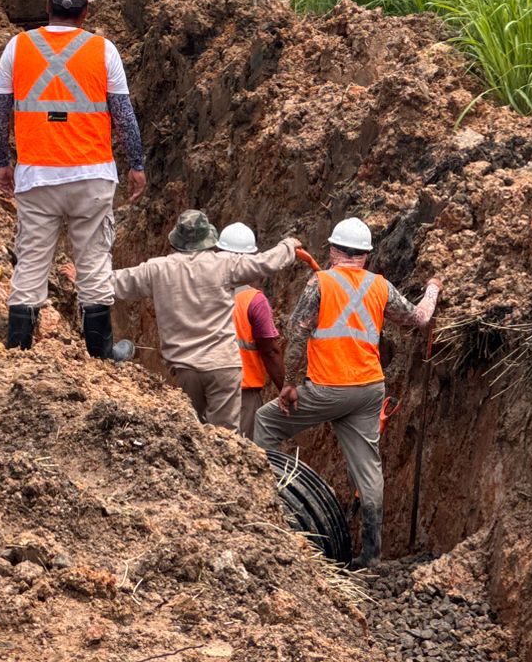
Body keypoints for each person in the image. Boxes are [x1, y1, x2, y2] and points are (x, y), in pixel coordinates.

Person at [253, 217, 440, 568]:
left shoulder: (320, 282)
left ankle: (265, 512)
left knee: (265, 423)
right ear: (366, 256)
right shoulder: (380, 286)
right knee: (369, 471)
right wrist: (433, 288)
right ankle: (371, 555)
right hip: (369, 390)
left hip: (328, 389)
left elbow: (296, 336)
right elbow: (418, 317)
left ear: (333, 250)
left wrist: (290, 384)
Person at [0, 0, 145, 361]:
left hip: (37, 176)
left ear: (47, 3)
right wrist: (136, 164)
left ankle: (19, 350)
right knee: (93, 265)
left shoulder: (18, 46)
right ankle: (101, 353)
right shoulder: (103, 49)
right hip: (92, 176)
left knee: (30, 266)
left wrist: (2, 162)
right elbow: (124, 115)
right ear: (86, 11)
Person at [111, 212, 300, 431]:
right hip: (223, 367)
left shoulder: (158, 269)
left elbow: (117, 282)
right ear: (207, 239)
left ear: (177, 239)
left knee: (190, 436)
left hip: (185, 368)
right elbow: (265, 262)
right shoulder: (224, 265)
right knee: (226, 438)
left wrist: (82, 278)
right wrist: (289, 246)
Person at [220, 222, 287, 440]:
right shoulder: (253, 300)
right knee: (240, 458)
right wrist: (285, 388)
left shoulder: (198, 290)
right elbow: (270, 351)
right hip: (241, 395)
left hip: (203, 389)